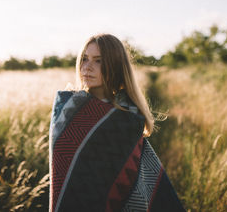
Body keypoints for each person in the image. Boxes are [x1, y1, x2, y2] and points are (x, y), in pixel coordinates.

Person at [49, 34, 185, 212]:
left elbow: (136, 179)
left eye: (98, 61)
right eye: (84, 59)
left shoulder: (125, 120)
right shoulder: (67, 110)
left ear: (116, 66)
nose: (87, 67)